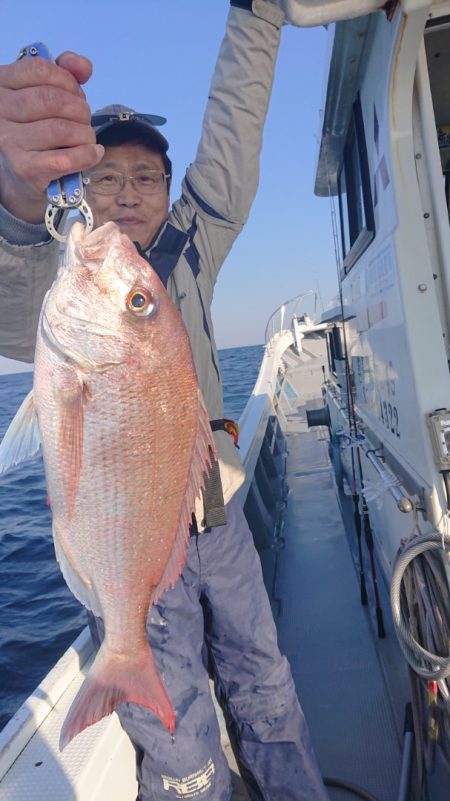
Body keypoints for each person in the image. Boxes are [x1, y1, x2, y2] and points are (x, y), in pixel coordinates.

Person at [0, 2, 330, 800]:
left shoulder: (189, 247)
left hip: (218, 519)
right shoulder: (64, 274)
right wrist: (16, 204)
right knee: (175, 731)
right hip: (134, 544)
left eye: (148, 177)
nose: (128, 193)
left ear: (171, 190)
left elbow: (231, 140)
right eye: (105, 176)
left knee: (266, 676)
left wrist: (257, 18)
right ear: (77, 192)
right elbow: (14, 302)